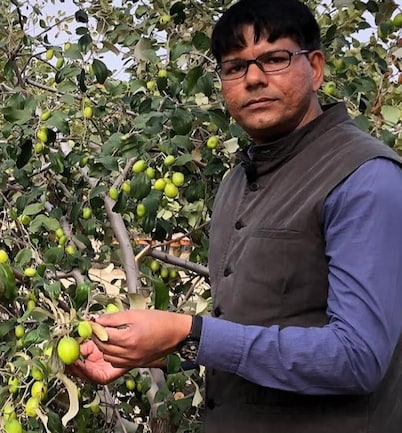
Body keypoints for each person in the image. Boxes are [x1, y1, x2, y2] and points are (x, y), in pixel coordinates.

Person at [68, 0, 402, 431]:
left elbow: (358, 358)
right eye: (234, 67)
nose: (254, 79)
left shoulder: (365, 178)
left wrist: (189, 333)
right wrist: (150, 351)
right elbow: (253, 332)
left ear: (315, 68)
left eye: (275, 59)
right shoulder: (237, 182)